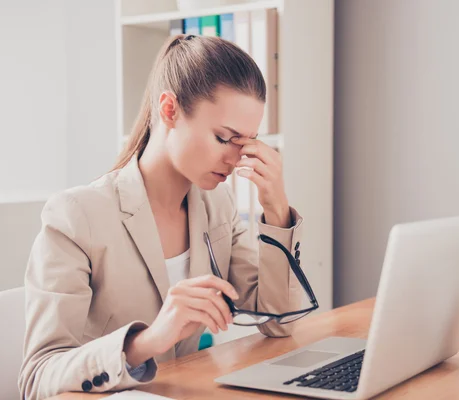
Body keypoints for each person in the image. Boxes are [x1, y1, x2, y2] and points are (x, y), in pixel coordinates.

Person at [18, 34, 306, 399]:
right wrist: (149, 340)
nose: (236, 161)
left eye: (246, 143)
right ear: (169, 110)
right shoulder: (76, 216)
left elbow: (278, 322)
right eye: (223, 138)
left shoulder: (217, 206)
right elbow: (37, 378)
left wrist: (276, 209)